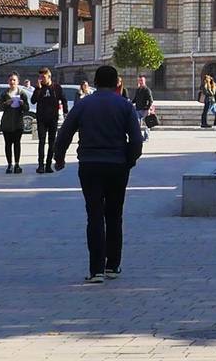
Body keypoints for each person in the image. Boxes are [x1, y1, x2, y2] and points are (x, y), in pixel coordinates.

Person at [49, 64, 144, 283]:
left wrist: (59, 157)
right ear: (115, 83)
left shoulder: (84, 104)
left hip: (90, 165)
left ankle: (96, 270)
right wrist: (129, 160)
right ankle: (113, 265)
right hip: (117, 165)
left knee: (94, 215)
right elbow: (136, 140)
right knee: (114, 215)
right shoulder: (125, 105)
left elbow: (65, 133)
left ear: (96, 82)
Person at [0, 74, 30, 174]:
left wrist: (22, 104)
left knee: (17, 144)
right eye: (10, 80)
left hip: (18, 123)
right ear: (8, 81)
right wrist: (6, 103)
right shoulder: (4, 94)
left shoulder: (22, 93)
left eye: (14, 80)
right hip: (7, 123)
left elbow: (27, 108)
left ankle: (17, 164)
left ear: (18, 82)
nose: (12, 82)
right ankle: (9, 164)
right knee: (8, 144)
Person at [35, 69, 64, 173]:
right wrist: (38, 88)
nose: (41, 79)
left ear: (49, 77)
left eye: (43, 77)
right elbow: (33, 100)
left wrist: (65, 113)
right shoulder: (39, 88)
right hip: (41, 118)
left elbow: (63, 99)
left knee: (52, 143)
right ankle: (40, 165)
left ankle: (48, 165)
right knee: (41, 142)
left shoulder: (56, 88)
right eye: (40, 77)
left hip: (53, 118)